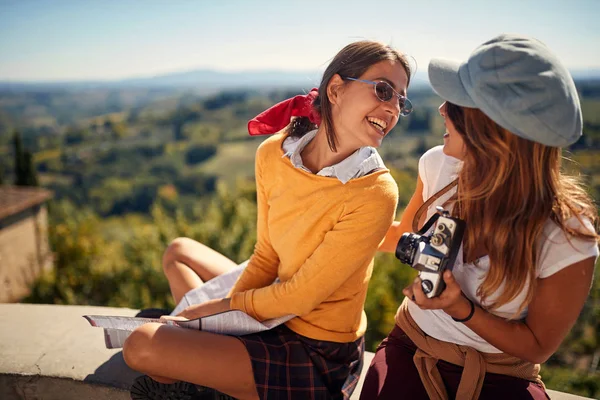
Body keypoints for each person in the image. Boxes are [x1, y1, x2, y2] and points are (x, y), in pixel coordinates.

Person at [123, 40, 414, 400]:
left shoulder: (376, 191)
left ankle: (197, 370)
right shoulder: (274, 153)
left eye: (401, 100)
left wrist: (211, 312)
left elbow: (301, 297)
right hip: (274, 304)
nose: (392, 108)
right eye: (384, 90)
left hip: (316, 348)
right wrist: (215, 321)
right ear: (336, 89)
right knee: (178, 252)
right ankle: (204, 367)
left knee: (141, 347)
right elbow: (266, 254)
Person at [360, 34, 599, 400]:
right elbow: (400, 236)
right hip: (412, 349)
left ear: (491, 131)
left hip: (499, 375)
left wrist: (462, 309)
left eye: (456, 103)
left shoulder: (566, 234)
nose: (441, 109)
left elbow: (537, 346)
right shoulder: (437, 165)